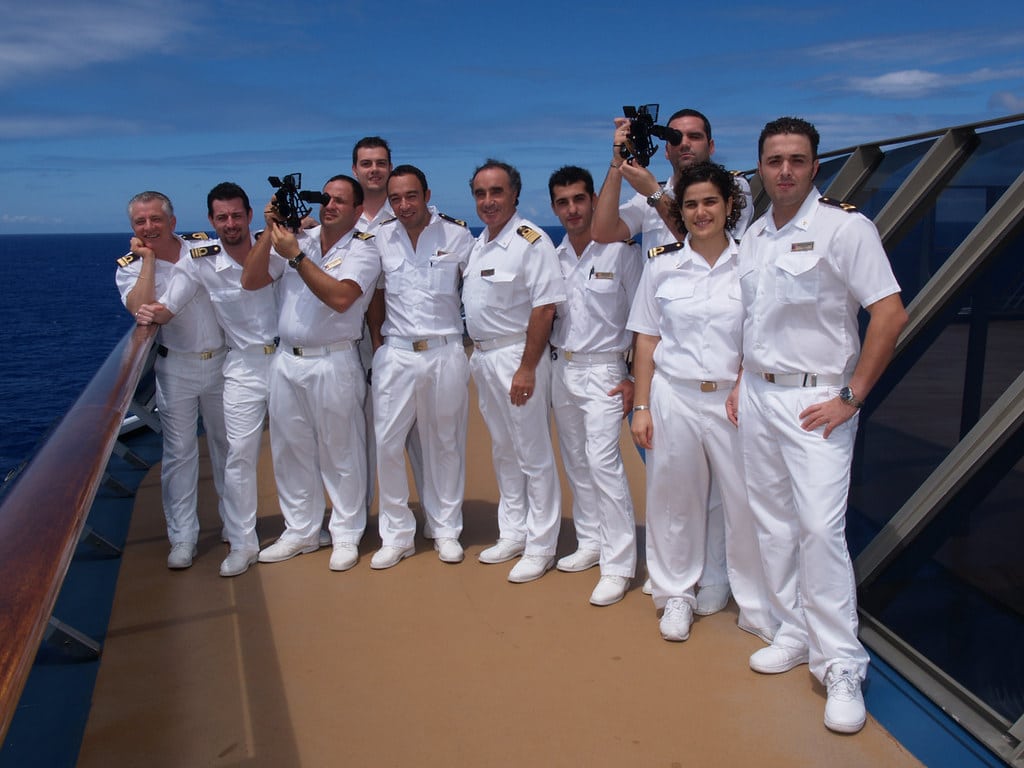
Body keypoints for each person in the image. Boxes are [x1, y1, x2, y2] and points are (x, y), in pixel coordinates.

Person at [728, 117, 908, 733]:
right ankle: (793, 630)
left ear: (814, 166)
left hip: (817, 405)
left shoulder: (844, 227)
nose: (784, 171)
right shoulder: (752, 236)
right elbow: (755, 323)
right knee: (772, 522)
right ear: (760, 166)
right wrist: (740, 383)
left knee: (819, 531)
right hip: (758, 397)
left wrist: (851, 397)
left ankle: (842, 664)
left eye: (796, 160)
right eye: (774, 160)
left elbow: (888, 314)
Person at [593, 107, 749, 614]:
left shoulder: (734, 189)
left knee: (727, 493)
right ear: (663, 146)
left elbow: (709, 243)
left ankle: (715, 576)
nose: (685, 144)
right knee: (675, 486)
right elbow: (602, 230)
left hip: (722, 371)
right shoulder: (648, 187)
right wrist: (618, 165)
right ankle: (677, 578)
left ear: (711, 141)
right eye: (675, 137)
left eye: (695, 136)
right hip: (669, 365)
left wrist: (659, 196)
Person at [627, 162, 778, 644]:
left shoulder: (750, 263)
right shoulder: (662, 263)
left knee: (745, 503)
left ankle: (755, 605)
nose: (700, 212)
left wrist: (741, 380)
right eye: (691, 204)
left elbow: (761, 333)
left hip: (734, 400)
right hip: (674, 395)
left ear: (730, 205)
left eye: (710, 201)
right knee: (674, 500)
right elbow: (647, 338)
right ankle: (676, 595)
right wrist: (643, 407)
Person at [135, 183, 278, 577]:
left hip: (262, 361)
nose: (230, 223)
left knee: (286, 447)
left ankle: (287, 528)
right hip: (220, 367)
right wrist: (152, 309)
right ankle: (215, 539)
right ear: (211, 221)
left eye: (236, 215)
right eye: (221, 217)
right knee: (216, 455)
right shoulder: (199, 261)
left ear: (249, 216)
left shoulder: (274, 247)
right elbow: (166, 305)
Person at [241, 175, 381, 571]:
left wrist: (297, 259)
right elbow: (250, 280)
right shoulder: (295, 240)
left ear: (357, 210)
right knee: (290, 450)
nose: (330, 206)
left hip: (333, 360)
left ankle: (346, 533)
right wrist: (272, 233)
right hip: (287, 360)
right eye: (326, 199)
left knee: (342, 452)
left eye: (340, 201)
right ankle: (301, 531)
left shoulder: (364, 249)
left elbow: (341, 298)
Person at [463, 159, 567, 583]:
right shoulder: (480, 243)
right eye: (481, 194)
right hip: (485, 358)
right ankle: (514, 531)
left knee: (532, 453)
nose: (488, 202)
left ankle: (541, 545)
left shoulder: (531, 240)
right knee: (504, 450)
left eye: (497, 192)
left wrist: (526, 367)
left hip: (516, 358)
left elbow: (545, 308)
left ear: (515, 195)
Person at [367, 165, 475, 568]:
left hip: (445, 350)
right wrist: (378, 344)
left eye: (411, 196)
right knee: (387, 444)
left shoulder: (457, 235)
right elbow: (375, 291)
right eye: (395, 198)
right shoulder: (380, 237)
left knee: (445, 442)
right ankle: (397, 536)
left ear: (427, 194)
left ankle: (446, 529)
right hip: (395, 353)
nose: (403, 205)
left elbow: (479, 288)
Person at [115, 191, 228, 570]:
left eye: (155, 220)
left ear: (172, 222)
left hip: (221, 364)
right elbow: (140, 311)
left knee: (228, 449)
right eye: (140, 223)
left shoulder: (206, 249)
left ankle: (235, 525)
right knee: (180, 455)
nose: (148, 228)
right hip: (175, 368)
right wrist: (147, 262)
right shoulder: (130, 265)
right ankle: (182, 538)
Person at [547, 165, 641, 607]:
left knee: (603, 463)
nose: (572, 210)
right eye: (563, 202)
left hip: (606, 372)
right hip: (563, 368)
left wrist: (636, 379)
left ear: (594, 201)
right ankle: (591, 542)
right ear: (554, 207)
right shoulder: (554, 256)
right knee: (577, 461)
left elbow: (646, 323)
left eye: (579, 199)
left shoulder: (623, 254)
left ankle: (619, 565)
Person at [349, 137, 427, 512]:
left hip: (395, 342)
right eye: (366, 163)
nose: (374, 170)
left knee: (419, 435)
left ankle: (434, 512)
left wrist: (381, 344)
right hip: (352, 344)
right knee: (364, 434)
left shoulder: (410, 215)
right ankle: (361, 512)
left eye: (381, 163)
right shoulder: (341, 216)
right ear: (355, 170)